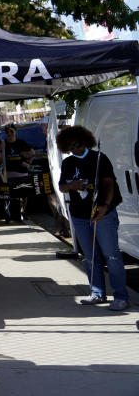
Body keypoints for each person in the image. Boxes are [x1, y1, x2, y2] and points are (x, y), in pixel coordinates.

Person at [56, 125, 129, 311]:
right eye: (71, 147)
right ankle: (97, 293)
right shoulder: (68, 163)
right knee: (90, 256)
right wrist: (73, 185)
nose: (75, 149)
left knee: (111, 255)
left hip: (102, 213)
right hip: (80, 215)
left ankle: (121, 296)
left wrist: (104, 207)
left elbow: (109, 184)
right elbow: (62, 186)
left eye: (78, 144)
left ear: (86, 141)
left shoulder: (99, 158)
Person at [3, 124, 35, 221]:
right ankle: (11, 213)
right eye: (7, 132)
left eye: (11, 131)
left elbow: (32, 153)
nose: (9, 133)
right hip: (9, 173)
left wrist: (28, 162)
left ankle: (22, 212)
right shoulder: (3, 143)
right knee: (11, 195)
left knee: (24, 194)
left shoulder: (21, 143)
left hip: (22, 172)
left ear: (15, 132)